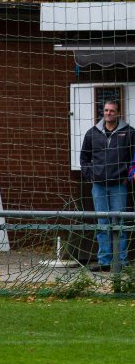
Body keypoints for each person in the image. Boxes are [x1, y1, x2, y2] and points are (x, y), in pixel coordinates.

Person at [79, 100, 135, 272]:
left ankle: (121, 262)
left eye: (112, 110)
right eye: (106, 110)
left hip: (119, 185)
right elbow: (84, 158)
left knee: (119, 223)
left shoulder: (129, 133)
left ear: (118, 113)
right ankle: (104, 261)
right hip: (98, 186)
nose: (108, 113)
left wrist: (128, 175)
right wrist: (91, 175)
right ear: (102, 112)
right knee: (102, 223)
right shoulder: (92, 133)